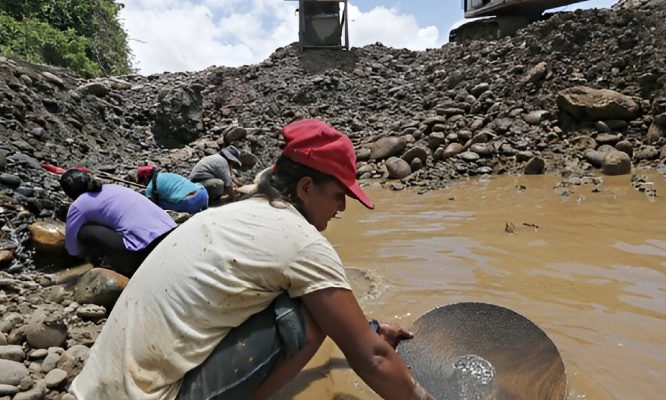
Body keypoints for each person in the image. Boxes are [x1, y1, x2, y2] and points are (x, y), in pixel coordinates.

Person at [69, 119, 434, 400]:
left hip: (98, 388)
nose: (342, 208)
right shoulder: (301, 241)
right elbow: (372, 358)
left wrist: (369, 328)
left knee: (296, 296)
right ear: (306, 188)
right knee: (309, 315)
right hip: (155, 395)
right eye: (339, 195)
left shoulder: (232, 213)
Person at [60, 168, 177, 277]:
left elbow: (72, 249)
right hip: (172, 234)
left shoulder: (79, 205)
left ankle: (112, 266)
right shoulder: (112, 188)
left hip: (146, 249)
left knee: (84, 231)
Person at [136, 165, 209, 214]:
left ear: (145, 178)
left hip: (190, 203)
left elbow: (151, 207)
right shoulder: (165, 174)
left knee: (159, 204)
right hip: (203, 195)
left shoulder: (150, 187)